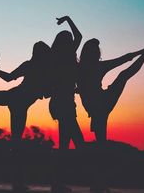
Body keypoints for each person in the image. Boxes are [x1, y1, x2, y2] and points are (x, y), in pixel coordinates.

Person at [77, 36, 144, 192]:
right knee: (123, 76)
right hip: (100, 105)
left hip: (99, 104)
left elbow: (123, 59)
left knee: (123, 76)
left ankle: (99, 183)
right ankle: (99, 182)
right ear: (92, 53)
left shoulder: (82, 68)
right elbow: (123, 59)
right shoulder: (91, 67)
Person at [0, 41, 51, 192]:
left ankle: (17, 180)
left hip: (16, 100)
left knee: (16, 143)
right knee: (16, 143)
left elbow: (9, 78)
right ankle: (17, 181)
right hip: (15, 99)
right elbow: (8, 78)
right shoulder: (35, 68)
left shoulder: (38, 69)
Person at [49, 16, 85, 193]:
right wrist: (69, 19)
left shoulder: (57, 58)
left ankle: (58, 181)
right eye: (69, 41)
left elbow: (78, 37)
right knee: (77, 142)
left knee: (66, 143)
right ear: (65, 43)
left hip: (63, 103)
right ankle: (94, 179)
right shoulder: (64, 57)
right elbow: (79, 36)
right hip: (63, 103)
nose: (72, 42)